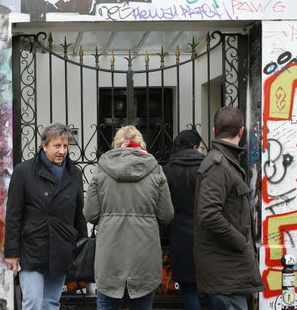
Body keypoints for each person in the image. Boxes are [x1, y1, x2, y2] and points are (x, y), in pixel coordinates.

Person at [83, 125, 173, 310]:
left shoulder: (102, 170)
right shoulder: (155, 170)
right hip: (144, 256)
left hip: (110, 256)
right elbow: (166, 214)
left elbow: (90, 214)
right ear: (141, 143)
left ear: (116, 144)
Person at [5, 123, 87, 310]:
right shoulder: (24, 171)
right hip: (32, 247)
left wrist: (81, 247)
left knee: (51, 302)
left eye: (65, 146)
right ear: (44, 145)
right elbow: (13, 214)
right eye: (57, 146)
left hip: (62, 246)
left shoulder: (74, 174)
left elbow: (78, 214)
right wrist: (11, 252)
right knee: (32, 302)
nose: (62, 151)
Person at [194, 107, 263, 310]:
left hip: (229, 275)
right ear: (241, 132)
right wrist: (240, 242)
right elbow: (208, 214)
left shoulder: (225, 162)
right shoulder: (218, 165)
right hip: (225, 276)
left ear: (214, 130)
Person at [162, 130, 207, 310]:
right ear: (195, 147)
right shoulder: (208, 167)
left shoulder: (168, 170)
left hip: (179, 235)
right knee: (210, 288)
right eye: (201, 147)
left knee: (188, 290)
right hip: (206, 235)